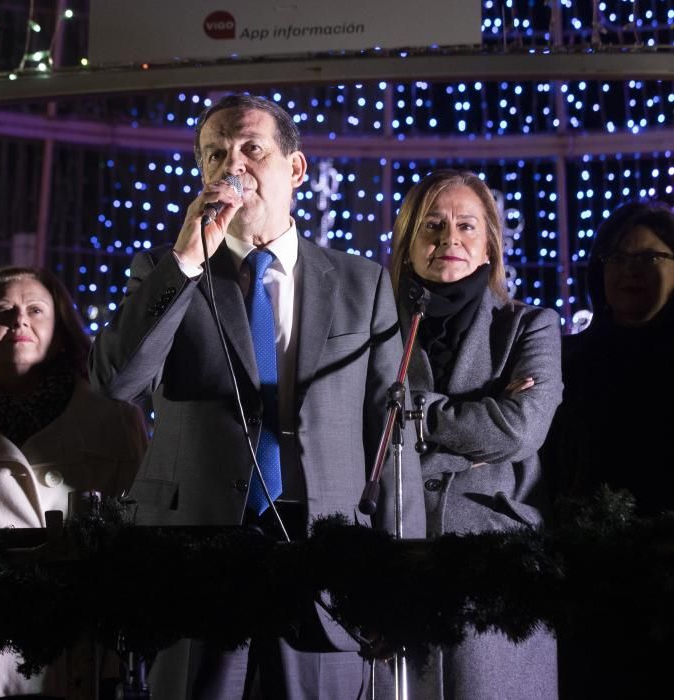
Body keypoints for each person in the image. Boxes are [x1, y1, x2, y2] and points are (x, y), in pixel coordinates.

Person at [89, 93, 426, 698]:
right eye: (215, 155)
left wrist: (398, 575)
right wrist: (187, 260)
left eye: (251, 148)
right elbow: (118, 381)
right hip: (195, 554)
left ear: (296, 169)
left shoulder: (362, 282)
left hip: (326, 562)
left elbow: (388, 435)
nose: (232, 167)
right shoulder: (167, 271)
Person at [0, 265, 147, 700]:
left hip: (81, 651)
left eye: (36, 310)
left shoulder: (117, 422)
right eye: (3, 311)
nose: (19, 320)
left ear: (61, 332)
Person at [388, 170, 562, 700]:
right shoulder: (374, 328)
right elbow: (361, 426)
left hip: (498, 566)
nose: (449, 239)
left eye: (467, 225)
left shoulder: (530, 325)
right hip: (393, 553)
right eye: (433, 225)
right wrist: (472, 426)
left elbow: (519, 430)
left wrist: (411, 414)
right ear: (408, 243)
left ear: (489, 245)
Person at [546, 199, 674, 699]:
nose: (630, 271)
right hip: (588, 582)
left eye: (650, 258)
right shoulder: (570, 359)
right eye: (617, 259)